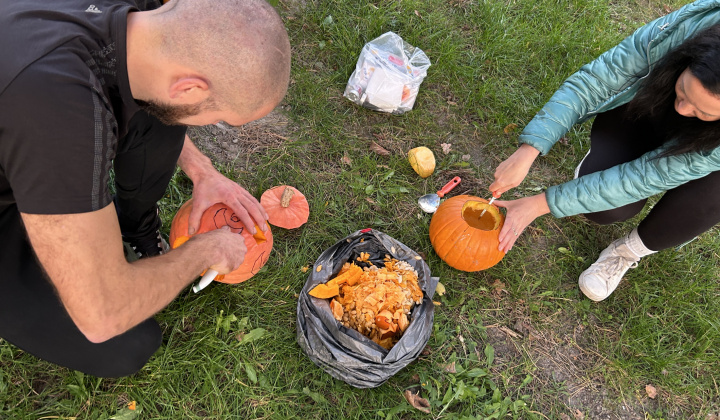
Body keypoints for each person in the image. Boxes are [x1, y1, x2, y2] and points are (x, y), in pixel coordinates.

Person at [0, 0, 291, 377]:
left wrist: (202, 171)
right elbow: (101, 315)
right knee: (124, 343)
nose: (213, 122)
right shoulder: (61, 119)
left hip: (24, 129)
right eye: (219, 116)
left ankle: (135, 228)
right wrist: (203, 250)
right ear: (189, 87)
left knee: (161, 111)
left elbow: (159, 95)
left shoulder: (148, 20)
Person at [489, 0, 720, 302]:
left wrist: (538, 204)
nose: (682, 108)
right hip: (646, 114)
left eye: (702, 111)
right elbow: (596, 80)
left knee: (712, 196)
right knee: (605, 208)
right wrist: (530, 148)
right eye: (683, 91)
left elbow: (645, 176)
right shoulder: (688, 28)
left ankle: (626, 252)